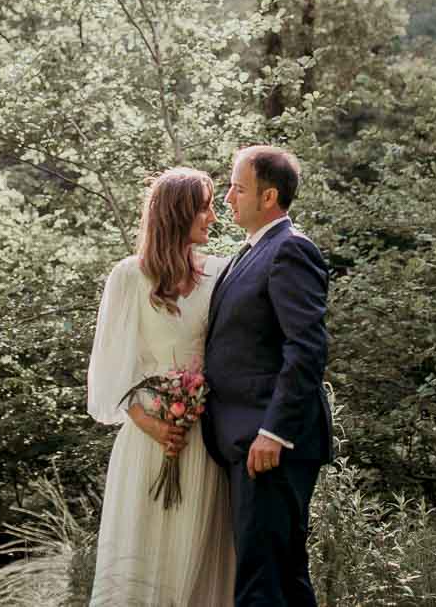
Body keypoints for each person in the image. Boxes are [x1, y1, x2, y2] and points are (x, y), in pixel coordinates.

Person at [87, 167, 237, 606]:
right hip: (149, 440)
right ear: (178, 213)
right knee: (142, 558)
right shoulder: (130, 277)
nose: (213, 216)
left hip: (204, 441)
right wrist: (150, 423)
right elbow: (112, 369)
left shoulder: (222, 273)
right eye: (205, 207)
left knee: (198, 556)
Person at [201, 146, 333, 607]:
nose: (229, 198)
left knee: (262, 583)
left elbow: (307, 348)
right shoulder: (247, 253)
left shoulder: (290, 250)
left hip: (270, 444)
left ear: (269, 195)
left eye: (238, 188)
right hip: (244, 440)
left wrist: (273, 431)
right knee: (284, 579)